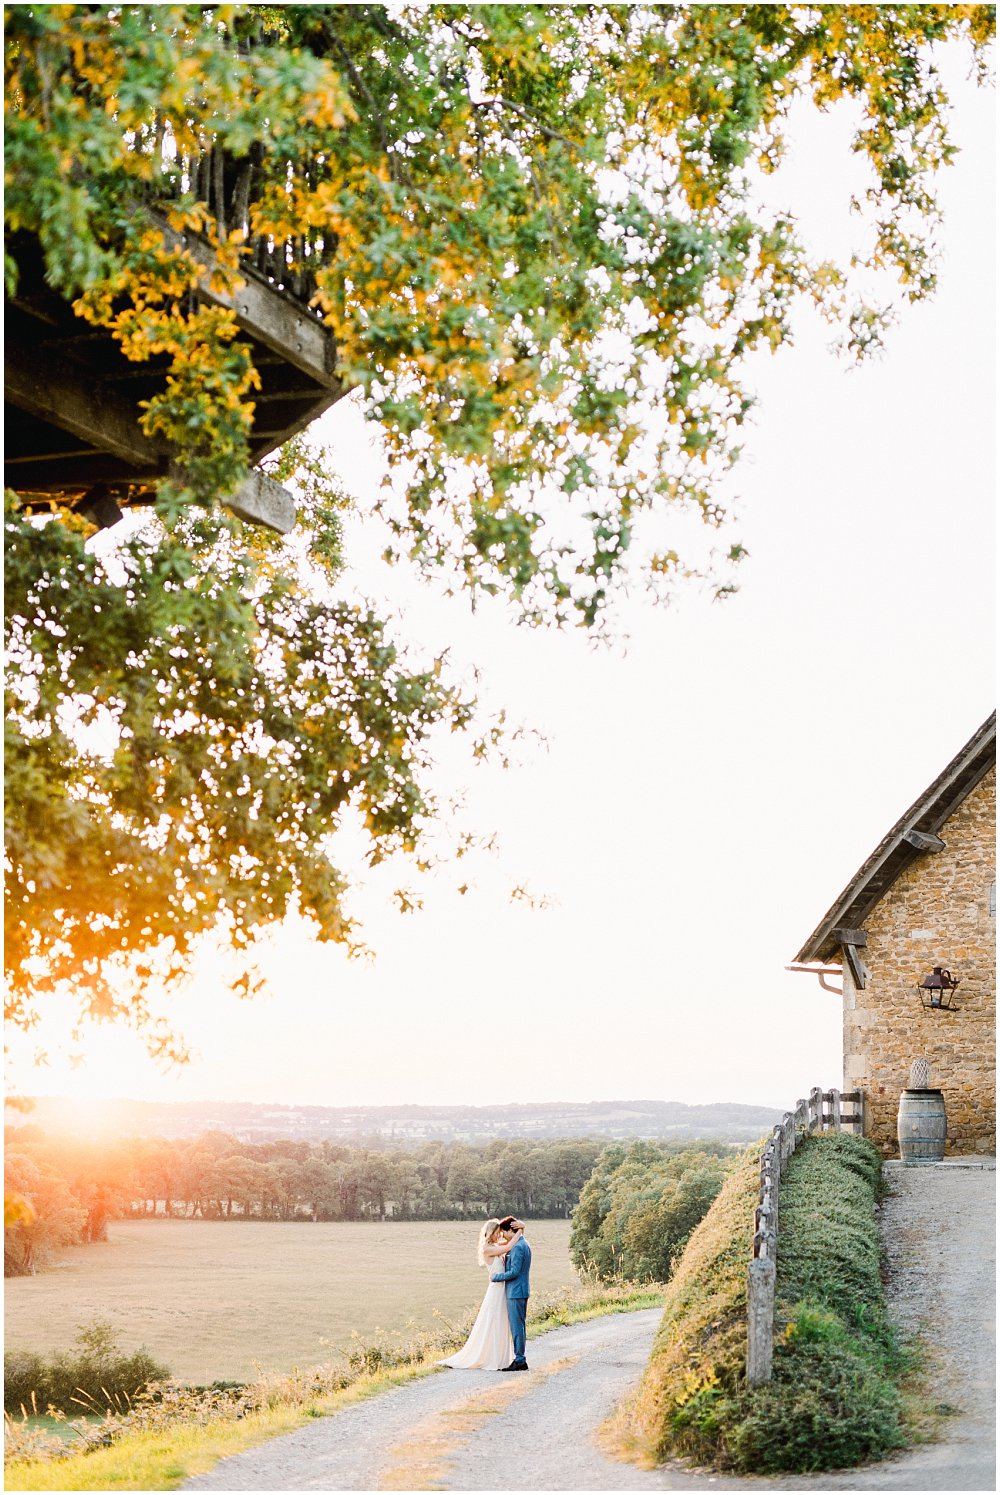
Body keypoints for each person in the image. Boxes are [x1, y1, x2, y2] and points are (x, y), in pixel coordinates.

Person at [440, 1218, 520, 1370]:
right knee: (494, 1321)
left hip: (501, 1289)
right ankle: (492, 1358)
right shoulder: (487, 1249)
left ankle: (499, 1357)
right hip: (496, 1290)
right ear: (490, 1233)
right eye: (497, 1233)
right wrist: (521, 1230)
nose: (499, 1236)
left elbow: (508, 1244)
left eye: (500, 1233)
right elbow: (510, 1245)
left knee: (501, 1322)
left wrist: (513, 1234)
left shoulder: (495, 1246)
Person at [490, 1214, 531, 1371]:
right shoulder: (521, 1243)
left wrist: (496, 1277)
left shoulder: (519, 1247)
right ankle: (520, 1358)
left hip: (516, 1291)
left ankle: (520, 1359)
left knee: (517, 1327)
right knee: (519, 1326)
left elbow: (514, 1272)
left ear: (510, 1230)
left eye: (504, 1233)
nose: (503, 1236)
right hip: (519, 1291)